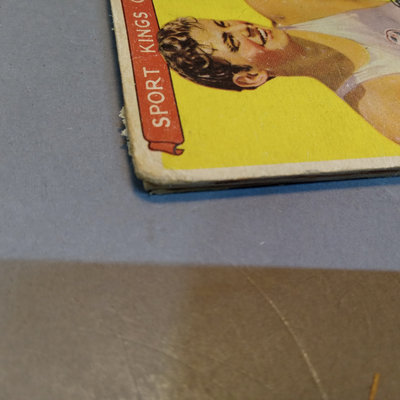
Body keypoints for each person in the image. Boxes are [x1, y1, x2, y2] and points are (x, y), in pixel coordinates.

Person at [157, 0, 400, 144]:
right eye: (232, 42)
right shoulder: (380, 103)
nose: (243, 28)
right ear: (251, 76)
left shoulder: (288, 6)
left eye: (224, 24)